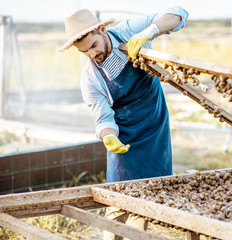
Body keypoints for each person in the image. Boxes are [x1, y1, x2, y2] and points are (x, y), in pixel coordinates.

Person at [59, 6, 188, 240]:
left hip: (153, 119)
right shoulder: (90, 78)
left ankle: (138, 232)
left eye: (93, 46)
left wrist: (149, 32)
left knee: (150, 192)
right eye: (84, 52)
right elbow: (103, 116)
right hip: (123, 130)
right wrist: (108, 136)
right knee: (118, 194)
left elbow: (179, 14)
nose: (91, 54)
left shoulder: (128, 31)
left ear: (101, 29)